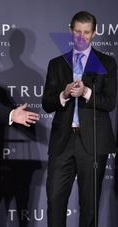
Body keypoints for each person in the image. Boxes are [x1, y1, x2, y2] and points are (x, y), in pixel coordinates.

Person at [42, 11, 117, 227]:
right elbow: (47, 103)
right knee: (55, 201)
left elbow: (109, 102)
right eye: (77, 32)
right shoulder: (57, 63)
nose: (81, 37)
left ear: (93, 34)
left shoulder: (106, 63)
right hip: (62, 143)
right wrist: (64, 94)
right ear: (70, 30)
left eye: (86, 33)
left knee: (89, 206)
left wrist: (86, 92)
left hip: (93, 143)